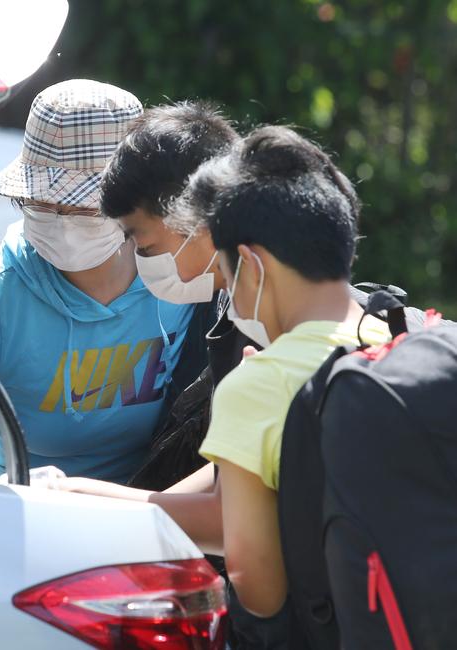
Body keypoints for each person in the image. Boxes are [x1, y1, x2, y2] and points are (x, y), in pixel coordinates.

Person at [55, 126, 390, 624]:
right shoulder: (393, 336)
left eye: (227, 274)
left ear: (250, 264)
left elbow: (261, 591)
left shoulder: (259, 382)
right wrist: (85, 496)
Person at [0, 79, 194, 483]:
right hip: (23, 523)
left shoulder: (183, 276)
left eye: (83, 207)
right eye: (39, 204)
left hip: (153, 521)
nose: (61, 222)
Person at [99, 100, 243, 491]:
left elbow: (227, 502)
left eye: (142, 243)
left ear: (195, 216)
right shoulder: (236, 306)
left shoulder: (268, 325)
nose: (137, 259)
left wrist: (86, 499)